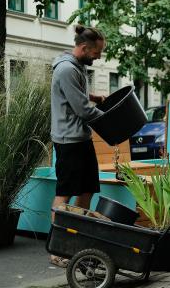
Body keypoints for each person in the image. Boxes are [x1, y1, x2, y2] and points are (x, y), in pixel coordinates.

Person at [49, 25, 106, 266]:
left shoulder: (78, 67)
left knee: (87, 189)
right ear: (84, 48)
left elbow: (79, 96)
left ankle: (78, 241)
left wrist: (93, 97)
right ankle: (58, 248)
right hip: (68, 140)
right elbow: (81, 109)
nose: (99, 57)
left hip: (81, 138)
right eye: (97, 52)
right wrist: (110, 118)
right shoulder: (65, 69)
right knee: (65, 193)